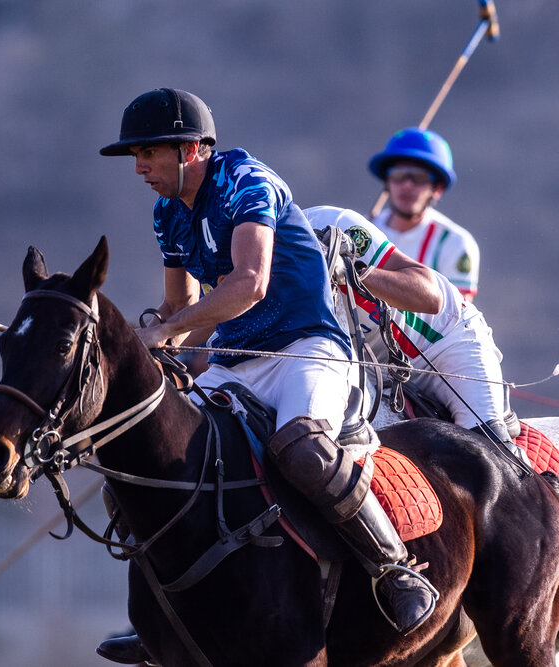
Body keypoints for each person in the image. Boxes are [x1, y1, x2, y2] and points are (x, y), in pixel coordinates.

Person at [95, 88, 438, 663]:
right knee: (149, 454)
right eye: (136, 156)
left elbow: (249, 283)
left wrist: (166, 331)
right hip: (237, 362)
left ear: (190, 149)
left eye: (148, 152)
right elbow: (179, 308)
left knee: (304, 449)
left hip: (307, 349)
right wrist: (149, 342)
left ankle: (394, 569)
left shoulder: (247, 181)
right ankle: (165, 607)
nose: (139, 167)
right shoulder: (167, 214)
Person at [305, 205, 526, 463]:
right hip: (375, 371)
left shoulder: (333, 222)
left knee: (489, 457)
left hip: (445, 344)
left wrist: (353, 273)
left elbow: (431, 297)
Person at [368, 127, 480, 302]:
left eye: (419, 177)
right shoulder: (362, 230)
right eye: (398, 175)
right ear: (386, 182)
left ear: (438, 189)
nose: (407, 185)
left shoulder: (454, 243)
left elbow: (458, 315)